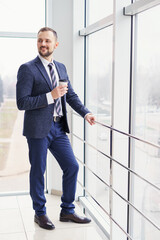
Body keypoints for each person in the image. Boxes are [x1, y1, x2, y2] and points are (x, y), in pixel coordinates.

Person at [16, 27, 95, 230]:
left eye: (47, 41)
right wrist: (50, 95)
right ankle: (40, 213)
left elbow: (70, 95)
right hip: (37, 130)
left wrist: (86, 113)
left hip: (58, 127)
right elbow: (22, 102)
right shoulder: (27, 69)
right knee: (38, 172)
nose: (43, 44)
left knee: (72, 166)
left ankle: (67, 210)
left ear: (55, 44)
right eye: (40, 41)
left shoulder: (60, 67)